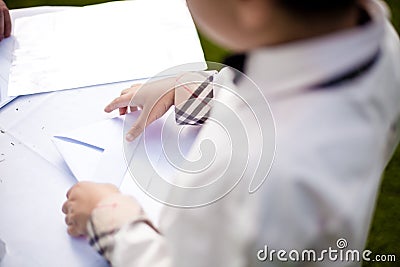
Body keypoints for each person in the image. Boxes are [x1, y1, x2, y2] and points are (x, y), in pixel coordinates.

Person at [62, 0, 400, 266]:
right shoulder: (377, 37)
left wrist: (110, 222)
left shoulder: (252, 176)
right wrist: (198, 93)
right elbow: (289, 85)